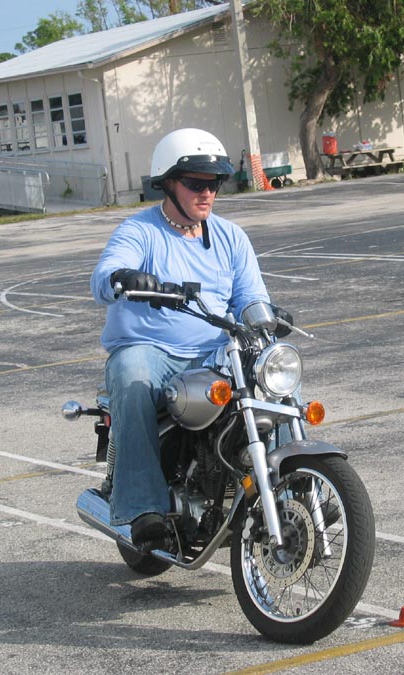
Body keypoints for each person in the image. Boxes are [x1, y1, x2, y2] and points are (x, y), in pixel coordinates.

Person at [90, 128, 270, 548]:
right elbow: (104, 275)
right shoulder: (140, 231)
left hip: (215, 353)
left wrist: (266, 318)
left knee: (274, 370)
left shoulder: (230, 237)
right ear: (168, 183)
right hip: (152, 352)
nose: (207, 193)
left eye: (214, 184)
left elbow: (250, 297)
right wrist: (122, 276)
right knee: (132, 376)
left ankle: (285, 484)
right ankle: (143, 508)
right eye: (195, 183)